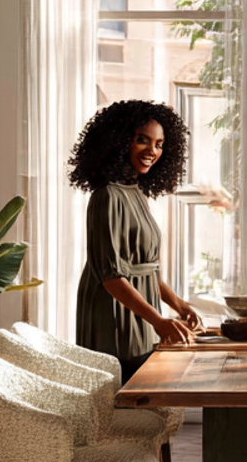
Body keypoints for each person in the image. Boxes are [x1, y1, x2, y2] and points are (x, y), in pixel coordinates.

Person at [69, 99, 202, 384]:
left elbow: (145, 270)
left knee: (144, 384)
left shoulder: (136, 193)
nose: (152, 151)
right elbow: (112, 277)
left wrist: (179, 306)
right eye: (142, 140)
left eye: (159, 144)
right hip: (113, 310)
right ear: (119, 141)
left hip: (142, 308)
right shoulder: (107, 196)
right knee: (122, 391)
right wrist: (158, 320)